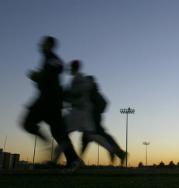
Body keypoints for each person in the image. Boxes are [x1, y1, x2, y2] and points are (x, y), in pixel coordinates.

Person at [21, 36, 81, 170]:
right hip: (51, 102)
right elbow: (49, 76)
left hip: (47, 102)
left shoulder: (51, 57)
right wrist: (38, 77)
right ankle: (73, 160)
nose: (40, 46)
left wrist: (40, 76)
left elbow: (58, 66)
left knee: (28, 123)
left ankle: (48, 145)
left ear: (49, 45)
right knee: (59, 133)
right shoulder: (47, 59)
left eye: (43, 44)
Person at [64, 60, 126, 165]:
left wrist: (94, 113)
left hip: (93, 117)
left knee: (95, 137)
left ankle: (117, 152)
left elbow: (101, 104)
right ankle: (78, 160)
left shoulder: (92, 93)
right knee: (88, 138)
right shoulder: (91, 92)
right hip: (91, 117)